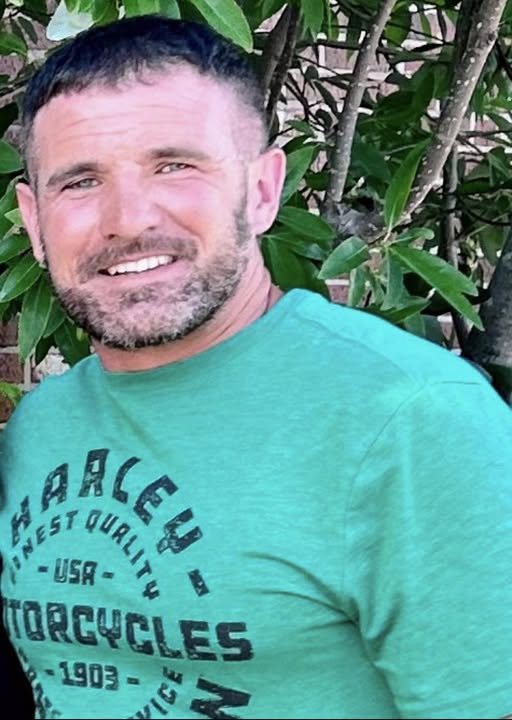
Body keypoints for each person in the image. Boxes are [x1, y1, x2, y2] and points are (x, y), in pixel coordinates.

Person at [0, 14, 512, 720]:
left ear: (264, 191)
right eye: (80, 181)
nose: (128, 218)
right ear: (33, 221)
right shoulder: (43, 425)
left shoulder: (412, 418)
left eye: (174, 166)